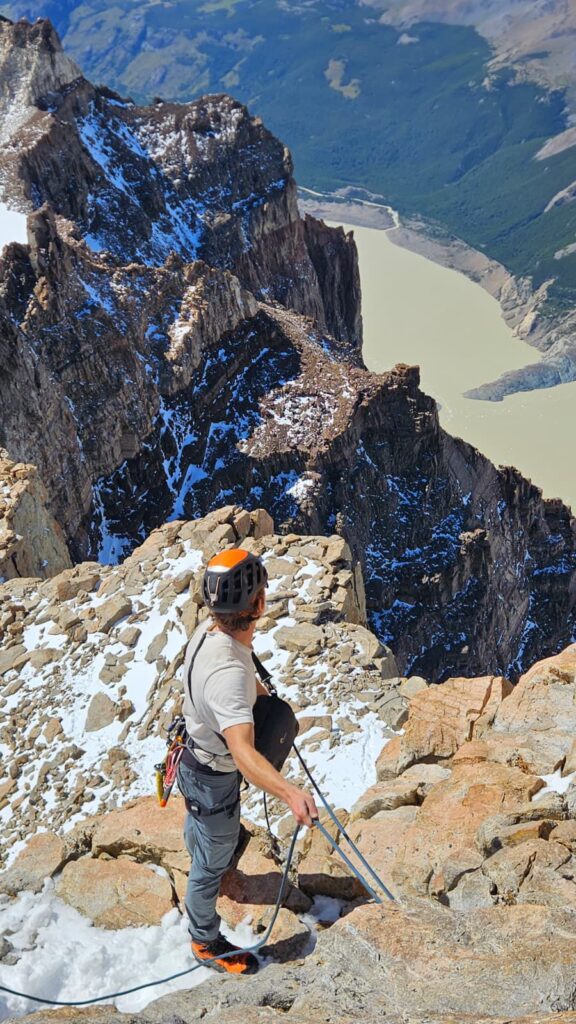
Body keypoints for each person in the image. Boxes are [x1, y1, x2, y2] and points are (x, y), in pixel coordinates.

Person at [178, 548, 318, 975]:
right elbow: (242, 752)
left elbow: (234, 682)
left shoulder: (209, 633)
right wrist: (290, 794)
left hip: (194, 760)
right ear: (257, 604)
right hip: (212, 775)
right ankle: (204, 941)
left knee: (207, 828)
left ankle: (208, 850)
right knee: (209, 864)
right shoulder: (228, 676)